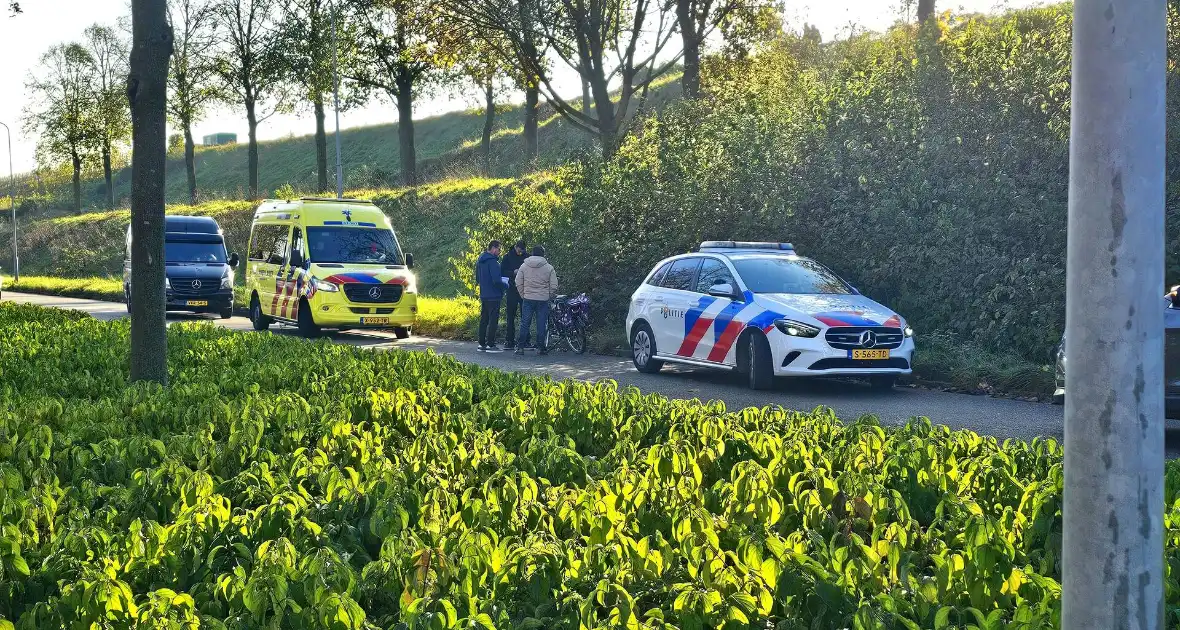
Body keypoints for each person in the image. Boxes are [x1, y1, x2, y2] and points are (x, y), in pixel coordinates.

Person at [515, 245, 558, 356]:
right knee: (541, 324)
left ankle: (520, 347)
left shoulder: (524, 266)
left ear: (532, 253)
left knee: (525, 323)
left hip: (528, 298)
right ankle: (541, 348)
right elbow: (554, 285)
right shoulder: (549, 267)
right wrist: (548, 295)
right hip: (542, 299)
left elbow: (518, 281)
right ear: (543, 254)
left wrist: (522, 294)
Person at [475, 239, 506, 352]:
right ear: (493, 248)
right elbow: (496, 280)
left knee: (484, 319)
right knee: (493, 320)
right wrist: (505, 285)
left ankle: (481, 343)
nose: (500, 252)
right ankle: (491, 344)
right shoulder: (493, 262)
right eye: (498, 249)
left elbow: (477, 279)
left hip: (484, 294)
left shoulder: (480, 261)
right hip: (494, 295)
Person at [500, 239, 528, 349]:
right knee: (510, 317)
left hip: (524, 289)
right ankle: (509, 340)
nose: (520, 253)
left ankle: (525, 340)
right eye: (519, 250)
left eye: (522, 251)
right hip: (511, 289)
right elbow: (502, 272)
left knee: (525, 316)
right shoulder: (507, 257)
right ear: (515, 247)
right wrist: (513, 272)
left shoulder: (527, 257)